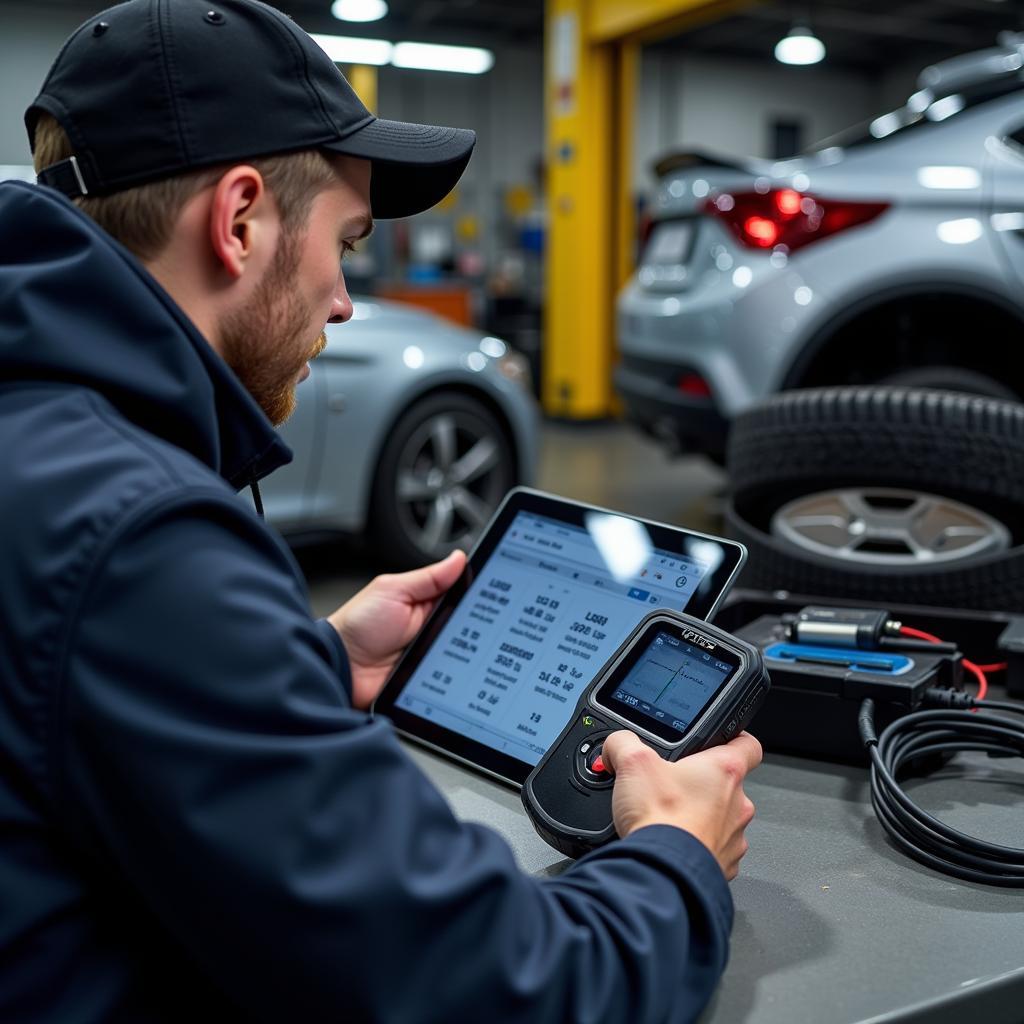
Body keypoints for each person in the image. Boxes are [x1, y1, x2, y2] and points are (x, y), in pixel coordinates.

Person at [0, 1, 762, 1021]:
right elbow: (500, 989)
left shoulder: (40, 434)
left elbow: (67, 701)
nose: (345, 298)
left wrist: (308, 662)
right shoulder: (140, 539)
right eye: (347, 242)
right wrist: (677, 856)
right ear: (237, 222)